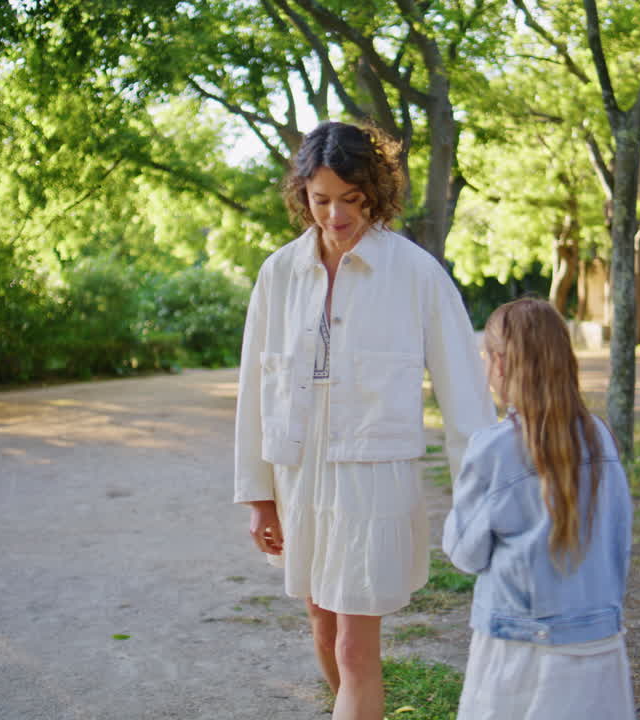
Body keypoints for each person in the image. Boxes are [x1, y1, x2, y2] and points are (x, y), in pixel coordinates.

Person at [233, 121, 495, 720]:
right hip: (300, 482)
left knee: (354, 647)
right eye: (320, 200)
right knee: (325, 638)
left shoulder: (416, 274)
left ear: (374, 193)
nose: (335, 216)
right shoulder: (278, 274)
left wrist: (480, 497)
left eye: (350, 200)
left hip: (372, 487)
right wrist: (259, 498)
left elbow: (465, 395)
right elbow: (256, 389)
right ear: (302, 195)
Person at [442, 298, 635, 720]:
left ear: (500, 364)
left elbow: (465, 553)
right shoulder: (601, 438)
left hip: (519, 646)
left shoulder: (493, 448)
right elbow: (620, 538)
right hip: (598, 640)